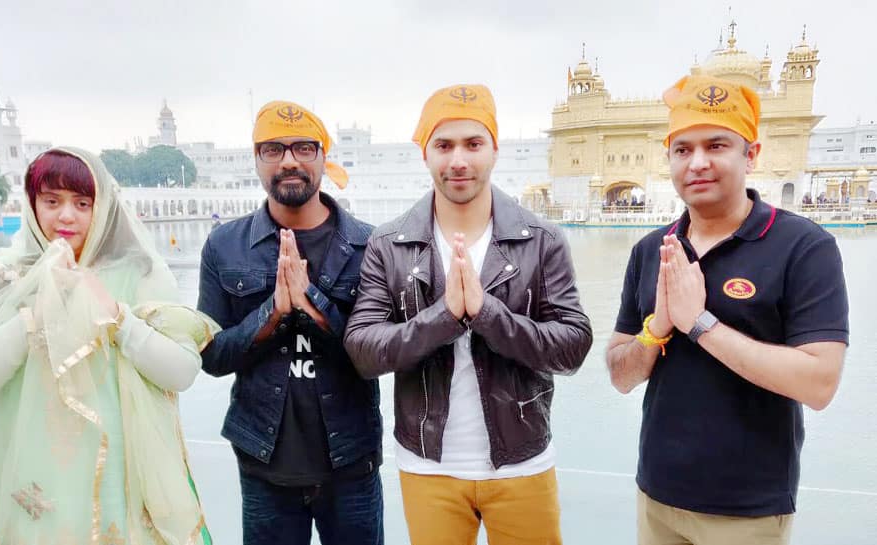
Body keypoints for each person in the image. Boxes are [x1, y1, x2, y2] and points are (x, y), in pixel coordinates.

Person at [344, 84, 593, 545]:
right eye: (444, 145)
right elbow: (362, 350)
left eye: (473, 144)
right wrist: (444, 317)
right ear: (425, 154)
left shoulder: (541, 239)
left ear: (495, 150)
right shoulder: (389, 243)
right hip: (427, 462)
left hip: (522, 459)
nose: (458, 160)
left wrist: (488, 315)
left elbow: (573, 346)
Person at [606, 75, 849, 545]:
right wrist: (658, 327)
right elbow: (620, 376)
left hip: (747, 511)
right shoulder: (652, 250)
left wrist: (699, 323)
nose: (698, 163)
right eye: (683, 149)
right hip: (657, 495)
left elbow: (819, 384)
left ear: (751, 154)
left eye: (716, 145)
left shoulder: (802, 247)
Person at [0, 148, 216, 544]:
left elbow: (182, 371)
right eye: (51, 201)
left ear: (102, 207)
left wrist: (117, 317)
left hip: (124, 483)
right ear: (32, 204)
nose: (66, 216)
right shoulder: (5, 277)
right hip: (39, 494)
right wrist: (32, 319)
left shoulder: (138, 272)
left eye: (82, 203)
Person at [197, 101, 383, 545]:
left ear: (323, 156)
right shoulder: (225, 246)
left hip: (351, 464)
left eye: (303, 148)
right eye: (273, 150)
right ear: (257, 159)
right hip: (265, 466)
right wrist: (274, 312)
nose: (290, 161)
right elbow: (211, 356)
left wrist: (313, 304)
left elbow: (375, 358)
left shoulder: (369, 245)